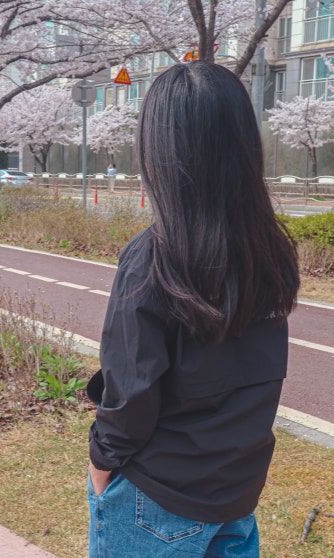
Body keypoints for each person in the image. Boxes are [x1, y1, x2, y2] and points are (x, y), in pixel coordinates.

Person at [87, 62, 300, 557]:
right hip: (236, 489)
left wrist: (101, 464)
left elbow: (131, 391)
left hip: (155, 494)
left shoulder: (152, 259)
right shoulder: (270, 251)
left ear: (157, 151)